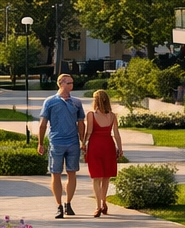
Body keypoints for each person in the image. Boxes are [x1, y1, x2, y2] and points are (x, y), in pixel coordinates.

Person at [36, 74, 86, 219]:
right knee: (55, 173)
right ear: (61, 83)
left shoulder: (76, 102)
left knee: (72, 172)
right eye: (69, 83)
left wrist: (83, 141)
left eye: (72, 83)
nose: (72, 86)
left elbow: (81, 123)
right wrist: (40, 143)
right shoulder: (50, 102)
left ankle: (68, 203)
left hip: (73, 143)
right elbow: (43, 124)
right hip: (56, 142)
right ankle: (58, 205)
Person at [82, 89, 122, 217]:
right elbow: (116, 133)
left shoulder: (91, 115)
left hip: (95, 146)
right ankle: (104, 202)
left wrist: (83, 143)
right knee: (106, 176)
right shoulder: (112, 116)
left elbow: (89, 132)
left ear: (96, 101)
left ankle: (98, 206)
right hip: (108, 145)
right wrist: (120, 148)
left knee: (96, 177)